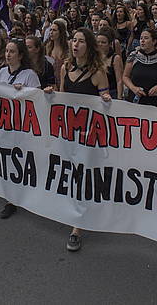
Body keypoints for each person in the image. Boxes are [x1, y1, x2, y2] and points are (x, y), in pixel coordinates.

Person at [47, 28, 111, 252]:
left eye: (81, 41)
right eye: (74, 40)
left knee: (82, 174)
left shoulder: (98, 72)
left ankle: (77, 227)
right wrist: (50, 95)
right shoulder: (66, 67)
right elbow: (63, 95)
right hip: (69, 130)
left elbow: (107, 104)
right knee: (71, 171)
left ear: (89, 46)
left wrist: (105, 99)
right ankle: (78, 207)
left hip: (88, 133)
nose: (76, 44)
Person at [0, 38, 41, 219]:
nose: (7, 54)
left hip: (22, 125)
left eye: (12, 52)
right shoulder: (2, 72)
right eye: (7, 51)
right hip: (5, 123)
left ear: (20, 55)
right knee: (7, 159)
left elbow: (38, 100)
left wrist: (23, 93)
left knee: (22, 160)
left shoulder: (29, 75)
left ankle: (22, 194)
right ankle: (11, 197)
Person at [123, 29, 157, 106]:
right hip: (135, 100)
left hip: (155, 101)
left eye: (146, 38)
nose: (142, 40)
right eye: (141, 38)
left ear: (154, 41)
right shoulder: (133, 55)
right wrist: (133, 88)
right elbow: (125, 77)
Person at [96, 28, 124, 99]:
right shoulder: (94, 58)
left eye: (103, 42)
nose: (100, 44)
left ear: (109, 44)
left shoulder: (115, 58)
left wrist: (119, 97)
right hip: (96, 92)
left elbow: (119, 80)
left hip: (112, 92)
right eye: (98, 42)